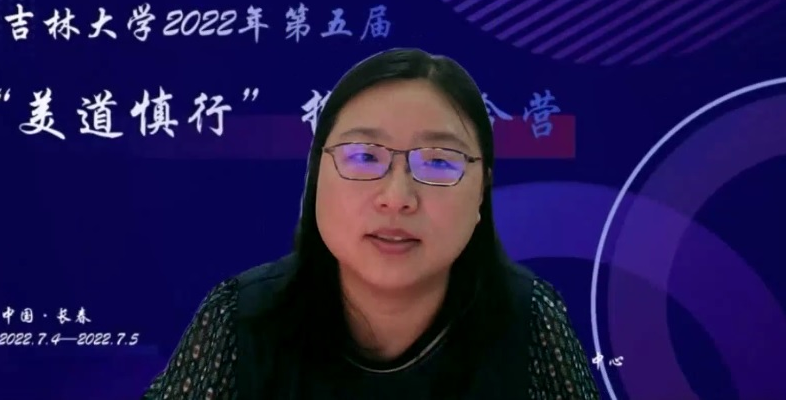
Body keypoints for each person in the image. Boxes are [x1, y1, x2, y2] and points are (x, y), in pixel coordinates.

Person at [142, 48, 599, 399]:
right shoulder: (240, 320)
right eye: (363, 156)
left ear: (482, 191)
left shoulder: (530, 322)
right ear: (315, 177)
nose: (397, 198)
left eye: (439, 162)